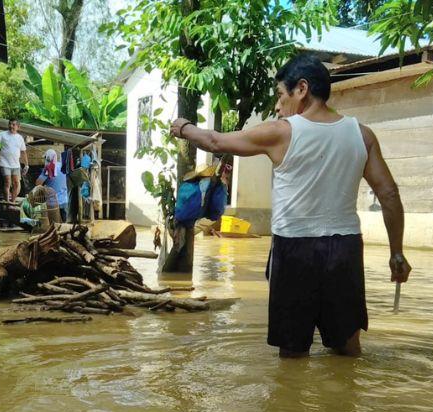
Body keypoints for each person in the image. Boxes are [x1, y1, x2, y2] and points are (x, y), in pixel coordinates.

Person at [170, 54, 412, 358]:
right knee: (347, 348)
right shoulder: (361, 135)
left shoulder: (282, 131)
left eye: (280, 95)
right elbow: (388, 194)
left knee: (293, 351)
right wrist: (396, 253)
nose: (277, 105)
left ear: (302, 89)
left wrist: (183, 127)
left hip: (295, 249)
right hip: (345, 248)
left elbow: (216, 142)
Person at [0, 119, 28, 202]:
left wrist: (27, 165)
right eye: (10, 124)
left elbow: (23, 152)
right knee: (7, 182)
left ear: (18, 127)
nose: (11, 126)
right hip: (4, 163)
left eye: (13, 125)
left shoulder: (20, 138)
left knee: (16, 183)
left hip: (16, 164)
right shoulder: (3, 134)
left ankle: (13, 202)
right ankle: (7, 202)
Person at [36, 149, 71, 222]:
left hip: (52, 202)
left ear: (47, 158)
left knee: (53, 223)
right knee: (63, 222)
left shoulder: (48, 168)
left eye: (45, 158)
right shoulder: (62, 166)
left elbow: (38, 183)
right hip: (64, 200)